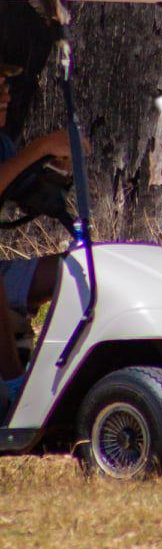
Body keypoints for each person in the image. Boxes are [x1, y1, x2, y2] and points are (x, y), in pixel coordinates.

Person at [0, 64, 68, 417]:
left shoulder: (2, 144)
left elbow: (24, 191)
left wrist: (59, 168)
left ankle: (67, 381)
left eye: (5, 84)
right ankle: (14, 391)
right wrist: (41, 147)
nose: (5, 95)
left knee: (69, 273)